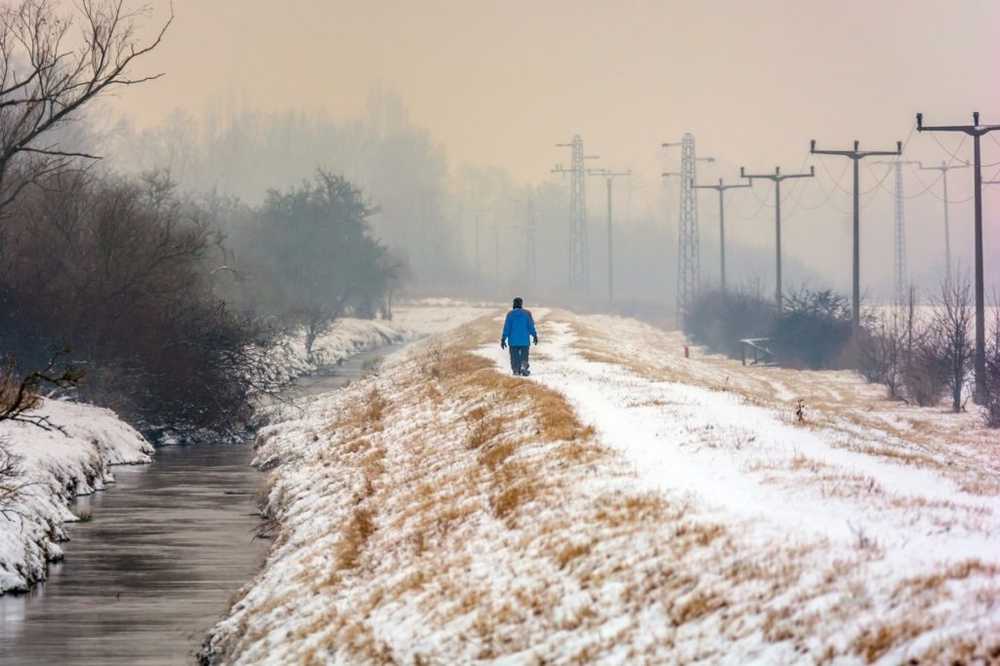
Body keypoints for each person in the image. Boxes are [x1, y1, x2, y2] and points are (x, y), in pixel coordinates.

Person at [500, 297, 538, 376]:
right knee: (524, 355)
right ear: (521, 304)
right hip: (524, 340)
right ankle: (524, 368)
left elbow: (507, 327)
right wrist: (534, 335)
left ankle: (516, 370)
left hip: (513, 341)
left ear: (514, 304)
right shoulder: (527, 313)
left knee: (514, 356)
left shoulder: (510, 314)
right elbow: (530, 326)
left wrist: (503, 338)